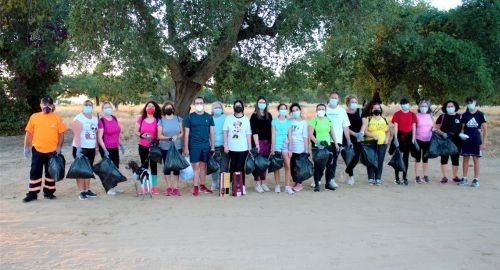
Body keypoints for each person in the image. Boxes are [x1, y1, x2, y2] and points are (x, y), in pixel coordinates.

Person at [22, 97, 67, 203]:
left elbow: (61, 134)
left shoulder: (57, 118)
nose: (46, 106)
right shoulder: (34, 117)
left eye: (49, 104)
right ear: (40, 105)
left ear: (52, 106)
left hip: (52, 152)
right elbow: (29, 133)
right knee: (35, 172)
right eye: (44, 104)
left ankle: (49, 193)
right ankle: (32, 194)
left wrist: (59, 147)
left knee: (50, 172)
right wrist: (26, 147)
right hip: (37, 150)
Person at [183, 97, 215, 196]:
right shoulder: (190, 117)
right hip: (194, 146)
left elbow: (212, 133)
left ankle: (202, 185)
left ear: (204, 104)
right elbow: (186, 134)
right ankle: (195, 187)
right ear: (194, 104)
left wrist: (213, 146)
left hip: (206, 145)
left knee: (203, 166)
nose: (199, 104)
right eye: (197, 103)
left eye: (201, 103)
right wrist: (186, 147)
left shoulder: (209, 117)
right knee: (196, 166)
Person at [323, 91, 351, 189]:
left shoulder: (342, 111)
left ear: (338, 100)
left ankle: (331, 179)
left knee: (333, 161)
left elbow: (345, 127)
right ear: (329, 98)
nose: (333, 99)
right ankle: (317, 179)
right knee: (322, 160)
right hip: (324, 139)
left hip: (337, 141)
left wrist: (348, 140)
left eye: (335, 98)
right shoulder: (324, 109)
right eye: (332, 97)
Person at [223, 100, 252, 195]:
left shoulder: (246, 119)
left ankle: (242, 185)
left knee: (240, 167)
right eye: (236, 105)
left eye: (240, 105)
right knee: (232, 167)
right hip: (231, 148)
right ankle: (232, 185)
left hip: (243, 148)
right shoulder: (229, 118)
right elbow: (225, 132)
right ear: (234, 107)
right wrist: (226, 145)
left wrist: (250, 147)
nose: (238, 107)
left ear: (242, 107)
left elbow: (248, 133)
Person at [72, 99, 99, 200]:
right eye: (86, 105)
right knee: (80, 170)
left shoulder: (95, 119)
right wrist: (79, 149)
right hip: (80, 148)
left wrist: (96, 147)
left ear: (92, 107)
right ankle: (81, 191)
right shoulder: (78, 118)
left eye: (90, 105)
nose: (88, 106)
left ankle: (87, 190)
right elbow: (77, 135)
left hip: (91, 148)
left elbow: (95, 134)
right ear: (82, 106)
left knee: (88, 170)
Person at [458, 96, 487, 187]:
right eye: (468, 103)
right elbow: (462, 129)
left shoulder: (481, 114)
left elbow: (485, 130)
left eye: (471, 102)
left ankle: (475, 179)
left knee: (476, 160)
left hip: (476, 140)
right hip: (466, 141)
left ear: (475, 102)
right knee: (465, 160)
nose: (470, 104)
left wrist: (484, 142)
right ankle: (464, 178)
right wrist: (461, 135)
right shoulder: (464, 115)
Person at [97, 101, 125, 196]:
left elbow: (117, 133)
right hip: (106, 148)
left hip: (115, 146)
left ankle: (115, 186)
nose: (107, 109)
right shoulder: (101, 121)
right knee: (108, 168)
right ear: (102, 109)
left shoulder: (114, 118)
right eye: (105, 107)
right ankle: (109, 188)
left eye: (109, 107)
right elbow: (99, 138)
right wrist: (104, 150)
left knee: (115, 167)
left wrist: (120, 144)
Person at [309, 104, 338, 192]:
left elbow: (332, 132)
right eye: (319, 109)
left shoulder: (328, 120)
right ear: (316, 110)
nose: (321, 110)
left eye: (323, 109)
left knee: (329, 165)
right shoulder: (313, 121)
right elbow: (310, 134)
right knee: (318, 166)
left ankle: (328, 184)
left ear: (325, 110)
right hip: (318, 146)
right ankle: (317, 184)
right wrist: (318, 143)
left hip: (328, 145)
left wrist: (335, 143)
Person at [157, 101, 184, 196]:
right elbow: (159, 135)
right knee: (167, 167)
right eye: (166, 108)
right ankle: (169, 187)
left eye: (170, 107)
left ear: (173, 109)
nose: (168, 109)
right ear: (164, 110)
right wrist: (168, 138)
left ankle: (176, 188)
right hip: (165, 147)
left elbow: (182, 133)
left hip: (177, 146)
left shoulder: (178, 119)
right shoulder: (161, 121)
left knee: (176, 167)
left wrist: (177, 136)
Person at [361, 103, 390, 186]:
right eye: (375, 108)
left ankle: (378, 178)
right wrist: (372, 135)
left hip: (382, 143)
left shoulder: (384, 119)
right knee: (371, 160)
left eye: (378, 108)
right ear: (372, 110)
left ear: (380, 110)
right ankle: (370, 178)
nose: (377, 109)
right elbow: (365, 131)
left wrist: (387, 139)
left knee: (380, 161)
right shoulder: (368, 119)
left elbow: (387, 131)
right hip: (370, 143)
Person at [250, 96, 273, 193]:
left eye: (264, 102)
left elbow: (271, 130)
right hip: (258, 142)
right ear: (257, 103)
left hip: (268, 142)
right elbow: (254, 131)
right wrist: (257, 145)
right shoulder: (254, 116)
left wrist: (272, 143)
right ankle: (257, 183)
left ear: (266, 104)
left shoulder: (269, 115)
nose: (262, 104)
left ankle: (263, 182)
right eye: (260, 102)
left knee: (264, 164)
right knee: (258, 163)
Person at [435, 100, 462, 183]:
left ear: (455, 107)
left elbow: (463, 128)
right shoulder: (442, 117)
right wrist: (443, 133)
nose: (450, 108)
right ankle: (444, 176)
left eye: (452, 106)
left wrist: (462, 134)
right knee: (444, 159)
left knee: (455, 159)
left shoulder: (460, 117)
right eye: (448, 106)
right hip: (445, 141)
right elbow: (436, 128)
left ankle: (455, 176)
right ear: (445, 108)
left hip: (457, 141)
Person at [391, 97, 416, 186]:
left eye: (406, 103)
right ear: (401, 105)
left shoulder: (412, 114)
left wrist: (413, 139)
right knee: (398, 157)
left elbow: (414, 127)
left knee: (406, 158)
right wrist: (396, 139)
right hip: (400, 136)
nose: (404, 105)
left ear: (408, 104)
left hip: (409, 137)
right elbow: (396, 126)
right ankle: (397, 178)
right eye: (403, 104)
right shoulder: (397, 114)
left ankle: (404, 177)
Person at [271, 103, 293, 194]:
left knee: (287, 166)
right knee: (277, 166)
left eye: (284, 108)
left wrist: (290, 149)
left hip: (285, 146)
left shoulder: (289, 122)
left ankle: (287, 186)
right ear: (278, 110)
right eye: (281, 108)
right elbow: (273, 135)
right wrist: (273, 147)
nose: (283, 110)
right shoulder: (274, 121)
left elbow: (290, 136)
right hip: (277, 145)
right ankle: (277, 185)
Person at [288, 103, 309, 192]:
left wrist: (306, 149)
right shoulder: (290, 121)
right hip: (291, 147)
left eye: (297, 110)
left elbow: (305, 136)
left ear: (300, 110)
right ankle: (295, 181)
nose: (295, 112)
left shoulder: (304, 123)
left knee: (299, 167)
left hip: (300, 147)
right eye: (293, 111)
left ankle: (299, 184)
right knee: (292, 166)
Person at [344, 95, 364, 185]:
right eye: (352, 102)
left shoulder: (360, 111)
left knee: (356, 158)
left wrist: (361, 133)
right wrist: (354, 134)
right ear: (348, 103)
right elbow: (345, 127)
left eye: (356, 102)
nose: (354, 104)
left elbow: (365, 123)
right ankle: (351, 177)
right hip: (347, 137)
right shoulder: (344, 113)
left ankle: (346, 171)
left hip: (359, 138)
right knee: (349, 157)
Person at [414, 99, 434, 184]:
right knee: (417, 158)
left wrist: (434, 130)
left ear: (428, 107)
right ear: (419, 106)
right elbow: (414, 128)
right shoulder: (416, 115)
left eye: (425, 106)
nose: (423, 107)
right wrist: (413, 139)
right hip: (418, 139)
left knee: (425, 158)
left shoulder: (430, 116)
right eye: (422, 106)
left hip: (428, 140)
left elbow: (432, 126)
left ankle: (425, 175)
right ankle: (417, 176)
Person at [210, 101, 229, 191]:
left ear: (222, 109)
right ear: (212, 110)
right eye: (215, 108)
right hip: (212, 146)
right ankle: (214, 183)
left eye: (219, 107)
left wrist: (227, 145)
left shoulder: (226, 118)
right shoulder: (209, 118)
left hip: (224, 146)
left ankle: (224, 185)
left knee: (224, 166)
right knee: (214, 166)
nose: (217, 109)